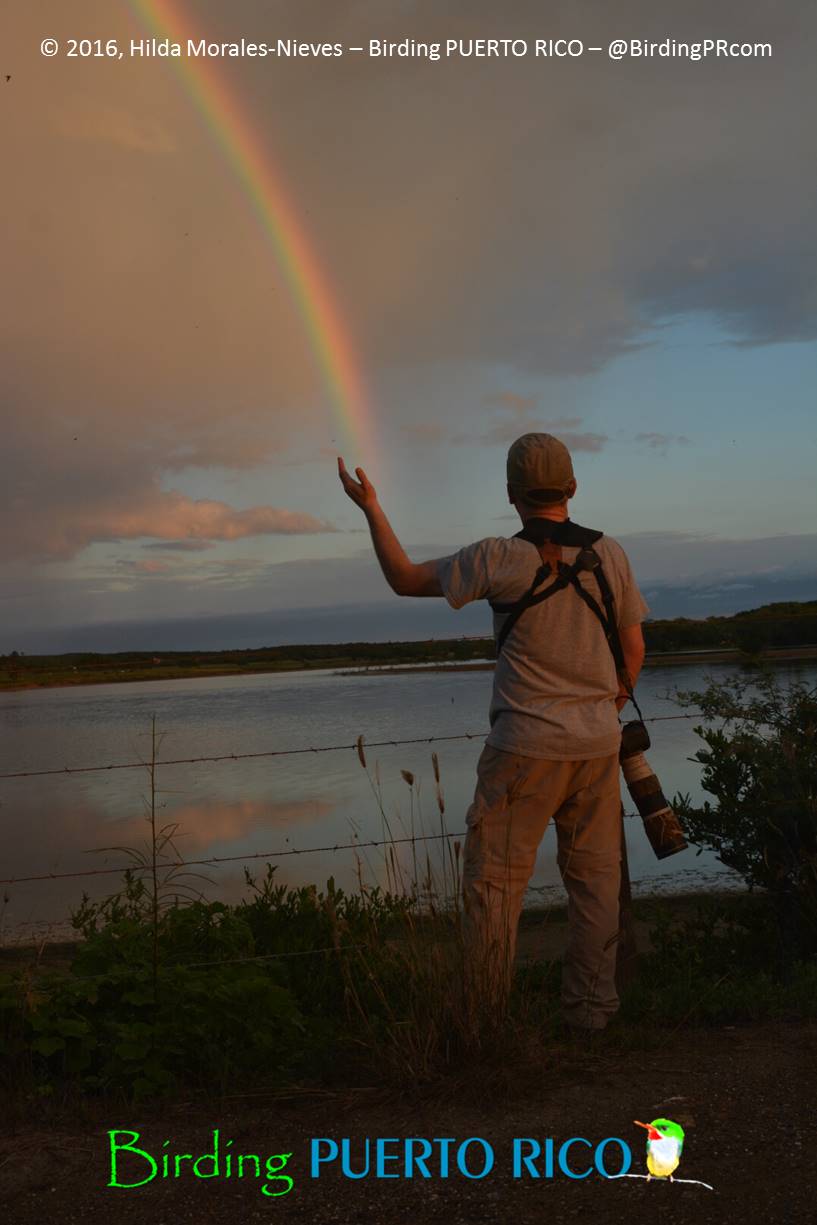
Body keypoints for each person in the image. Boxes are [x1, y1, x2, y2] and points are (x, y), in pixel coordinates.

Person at [338, 432, 648, 1032]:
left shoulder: (497, 558)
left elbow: (404, 579)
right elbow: (633, 652)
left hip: (522, 751)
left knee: (494, 887)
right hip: (596, 747)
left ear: (510, 494)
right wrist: (601, 709)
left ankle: (484, 1022)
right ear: (572, 487)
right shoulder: (610, 554)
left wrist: (371, 507)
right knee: (596, 886)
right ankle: (590, 1017)